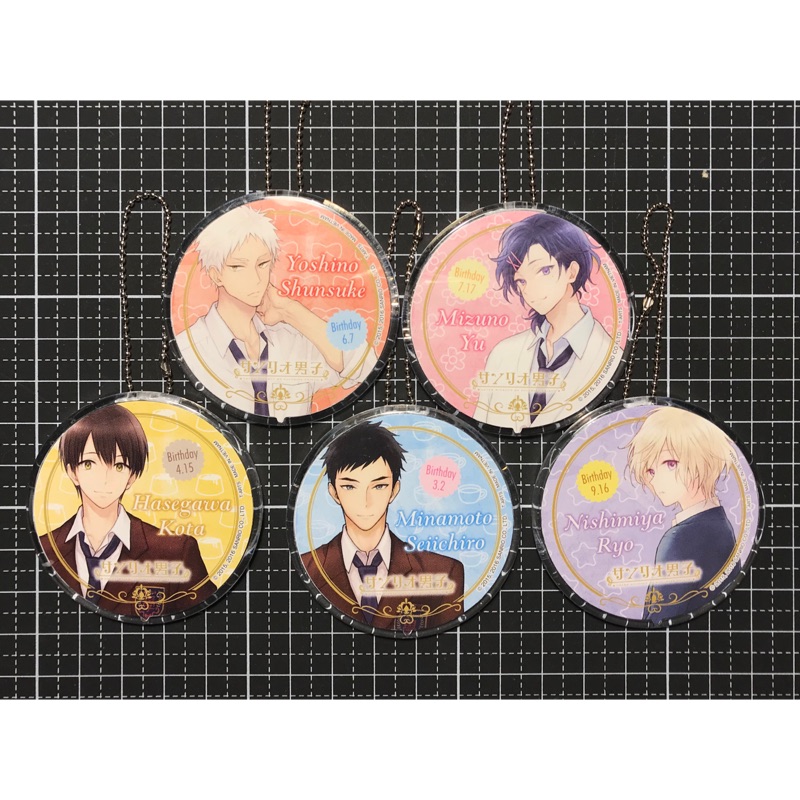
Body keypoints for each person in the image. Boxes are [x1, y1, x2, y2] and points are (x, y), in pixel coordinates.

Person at [175, 205, 377, 421]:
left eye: (263, 264)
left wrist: (290, 311)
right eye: (238, 267)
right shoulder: (190, 348)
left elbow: (364, 366)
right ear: (216, 275)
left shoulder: (291, 339)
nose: (255, 278)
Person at [38, 404, 215, 621]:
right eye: (89, 463)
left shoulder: (177, 551)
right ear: (72, 471)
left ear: (132, 476)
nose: (104, 479)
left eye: (119, 465)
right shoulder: (45, 547)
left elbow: (205, 624)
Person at [301, 421, 465, 634]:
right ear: (333, 492)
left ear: (394, 490)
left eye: (379, 486)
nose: (365, 501)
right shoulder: (307, 567)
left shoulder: (444, 570)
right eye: (349, 486)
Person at [474, 213, 612, 431]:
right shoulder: (503, 353)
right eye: (521, 280)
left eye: (544, 271)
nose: (530, 289)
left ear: (572, 271)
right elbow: (479, 428)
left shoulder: (609, 355)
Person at [626, 406, 741, 624]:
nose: (656, 480)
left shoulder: (681, 538)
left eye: (670, 463)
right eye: (650, 471)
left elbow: (658, 620)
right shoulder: (720, 524)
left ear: (705, 458)